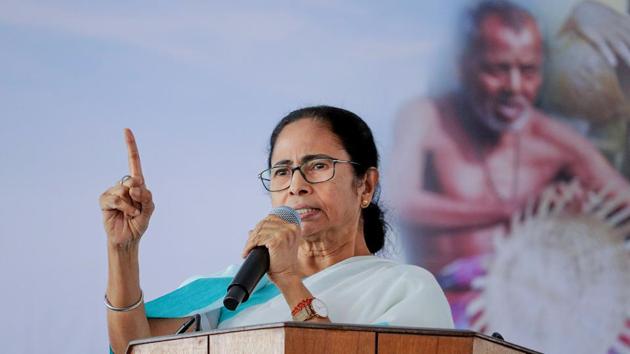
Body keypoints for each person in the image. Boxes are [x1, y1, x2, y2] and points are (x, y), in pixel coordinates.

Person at [100, 106, 454, 353]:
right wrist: (123, 250)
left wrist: (289, 281)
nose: (296, 186)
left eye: (317, 166)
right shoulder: (235, 289)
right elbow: (136, 347)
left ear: (365, 185)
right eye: (282, 171)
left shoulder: (407, 290)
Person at [388, 0, 630, 328]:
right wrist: (508, 209)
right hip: (445, 309)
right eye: (497, 69)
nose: (514, 87)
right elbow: (400, 201)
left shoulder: (552, 138)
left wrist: (581, 216)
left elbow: (622, 203)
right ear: (464, 67)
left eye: (527, 71)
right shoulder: (427, 116)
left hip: (536, 306)